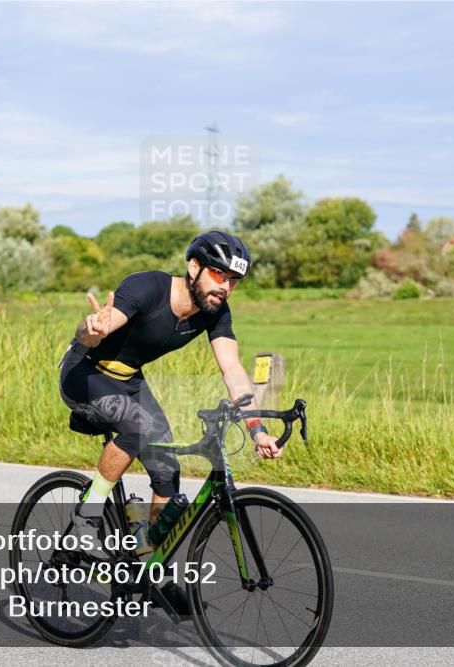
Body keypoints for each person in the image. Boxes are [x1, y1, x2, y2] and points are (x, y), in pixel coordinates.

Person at [57, 231, 282, 615]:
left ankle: (150, 565)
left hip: (128, 380)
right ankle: (84, 520)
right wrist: (90, 330)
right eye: (218, 275)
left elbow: (233, 369)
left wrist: (256, 427)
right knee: (138, 428)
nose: (225, 287)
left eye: (233, 281)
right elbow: (100, 325)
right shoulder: (147, 287)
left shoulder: (215, 311)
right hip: (85, 371)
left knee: (166, 468)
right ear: (194, 267)